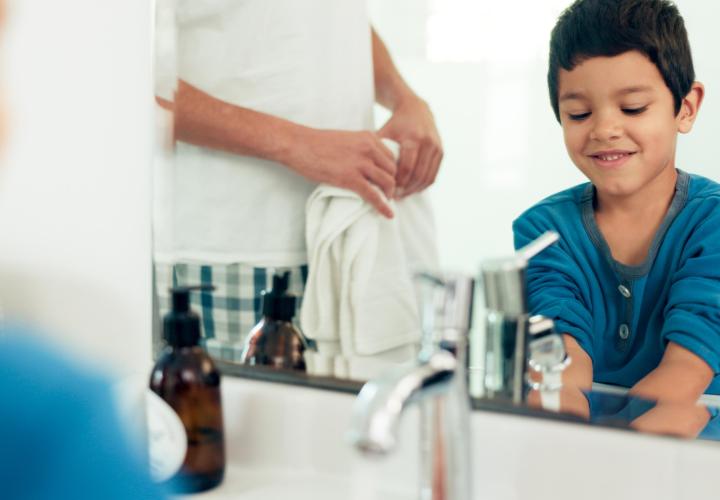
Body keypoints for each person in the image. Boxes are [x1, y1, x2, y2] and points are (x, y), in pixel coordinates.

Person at [154, 0, 443, 359]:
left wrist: (404, 98)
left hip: (347, 234)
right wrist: (296, 145)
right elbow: (128, 79)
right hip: (238, 252)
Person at [513, 0, 720, 431]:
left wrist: (613, 462)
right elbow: (560, 367)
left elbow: (686, 371)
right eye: (580, 114)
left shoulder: (712, 223)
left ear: (686, 107)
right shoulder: (543, 231)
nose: (605, 129)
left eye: (632, 109)